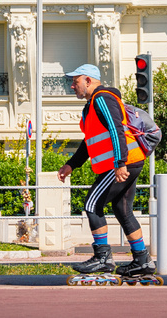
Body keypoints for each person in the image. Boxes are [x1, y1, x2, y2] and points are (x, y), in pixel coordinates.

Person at [57, 64, 154, 277]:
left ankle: (103, 258)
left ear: (88, 80)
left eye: (75, 81)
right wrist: (71, 164)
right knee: (122, 210)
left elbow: (116, 129)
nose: (72, 86)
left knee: (92, 204)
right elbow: (89, 142)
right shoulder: (92, 105)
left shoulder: (102, 98)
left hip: (119, 164)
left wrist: (120, 163)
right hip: (128, 162)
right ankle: (142, 261)